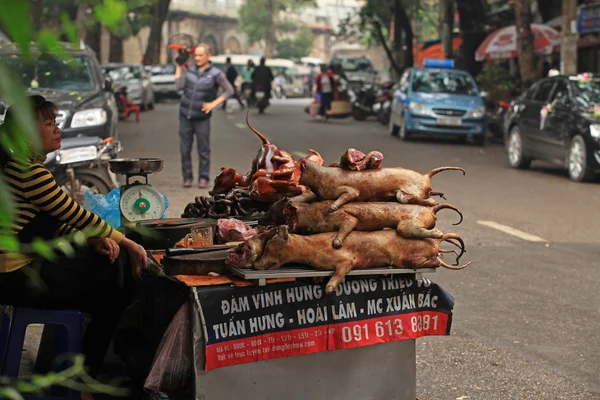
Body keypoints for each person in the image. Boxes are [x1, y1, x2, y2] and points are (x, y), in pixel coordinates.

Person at [0, 95, 148, 388]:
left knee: (104, 266)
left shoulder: (18, 167)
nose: (57, 130)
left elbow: (49, 220)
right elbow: (77, 214)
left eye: (55, 123)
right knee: (110, 295)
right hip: (13, 278)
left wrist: (93, 240)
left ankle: (68, 371)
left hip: (16, 271)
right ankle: (83, 382)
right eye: (48, 124)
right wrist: (129, 244)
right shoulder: (29, 173)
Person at [175, 43, 234, 188]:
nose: (197, 58)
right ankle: (187, 177)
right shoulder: (190, 70)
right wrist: (179, 66)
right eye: (196, 55)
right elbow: (179, 86)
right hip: (185, 115)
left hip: (202, 117)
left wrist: (213, 104)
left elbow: (229, 90)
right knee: (184, 149)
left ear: (209, 56)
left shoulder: (215, 73)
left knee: (203, 149)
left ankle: (203, 177)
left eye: (201, 55)